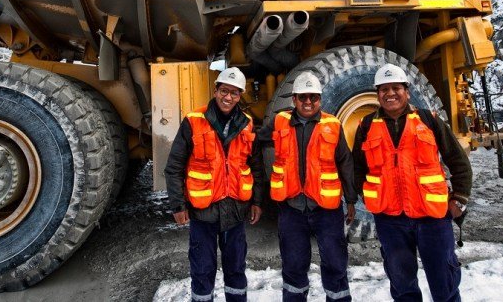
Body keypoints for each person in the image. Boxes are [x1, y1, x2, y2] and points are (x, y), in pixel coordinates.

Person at [352, 63, 472, 302]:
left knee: (445, 283)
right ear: (378, 94)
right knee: (402, 284)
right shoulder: (366, 126)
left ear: (406, 92)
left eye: (396, 88)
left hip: (432, 217)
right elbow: (357, 168)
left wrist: (460, 198)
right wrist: (369, 195)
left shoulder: (429, 120)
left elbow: (458, 161)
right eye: (384, 89)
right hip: (390, 220)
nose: (390, 94)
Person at [164, 67, 265, 302]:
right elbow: (174, 167)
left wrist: (258, 202)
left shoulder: (248, 124)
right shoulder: (193, 121)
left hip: (236, 211)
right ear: (215, 90)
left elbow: (256, 167)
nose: (228, 97)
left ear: (240, 96)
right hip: (204, 214)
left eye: (234, 93)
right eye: (224, 91)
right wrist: (178, 205)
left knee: (236, 270)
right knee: (202, 271)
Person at [256, 71, 356, 302]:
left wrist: (351, 199)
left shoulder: (333, 125)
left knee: (335, 264)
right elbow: (255, 141)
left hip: (326, 210)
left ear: (320, 99)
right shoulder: (279, 121)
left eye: (313, 97)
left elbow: (345, 161)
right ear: (294, 99)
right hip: (292, 209)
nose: (308, 102)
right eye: (303, 97)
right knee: (293, 266)